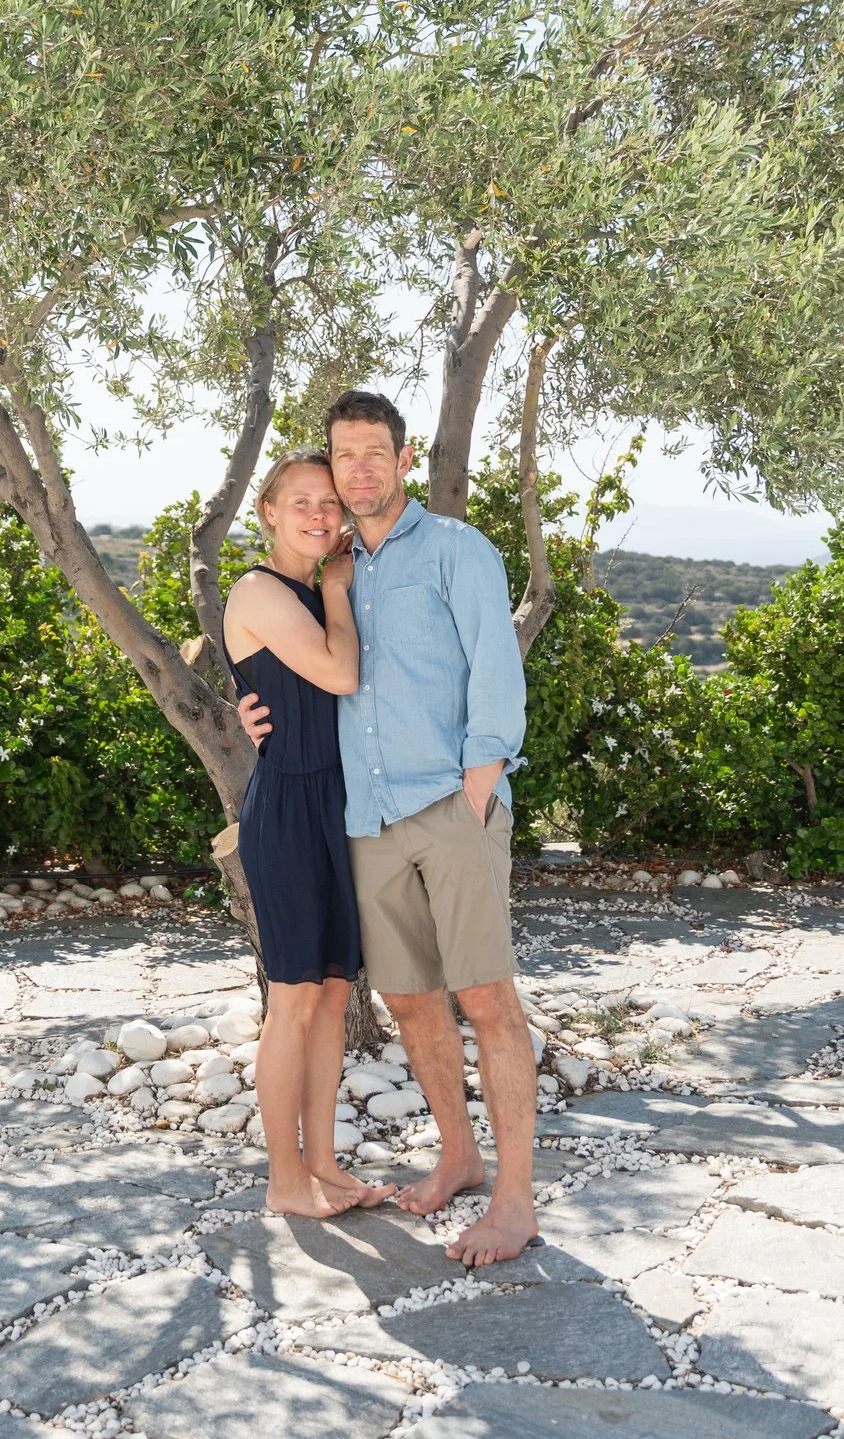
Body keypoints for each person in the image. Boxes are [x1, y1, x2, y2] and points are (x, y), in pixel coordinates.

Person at [238, 390, 537, 1265]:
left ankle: (514, 1203)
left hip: (449, 806)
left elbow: (497, 670)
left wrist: (479, 791)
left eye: (376, 452)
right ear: (329, 467)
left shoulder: (455, 550)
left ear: (404, 460)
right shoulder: (329, 567)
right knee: (409, 1001)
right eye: (345, 456)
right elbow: (282, 659)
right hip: (362, 819)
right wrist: (252, 709)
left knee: (487, 1000)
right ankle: (459, 1155)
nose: (359, 469)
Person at [222, 450, 395, 1218]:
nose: (320, 515)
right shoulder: (261, 589)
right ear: (267, 511)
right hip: (290, 810)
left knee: (331, 995)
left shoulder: (314, 587)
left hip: (336, 803)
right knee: (291, 1001)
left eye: (330, 503)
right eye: (302, 502)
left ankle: (323, 1165)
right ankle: (284, 1181)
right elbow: (339, 675)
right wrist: (334, 589)